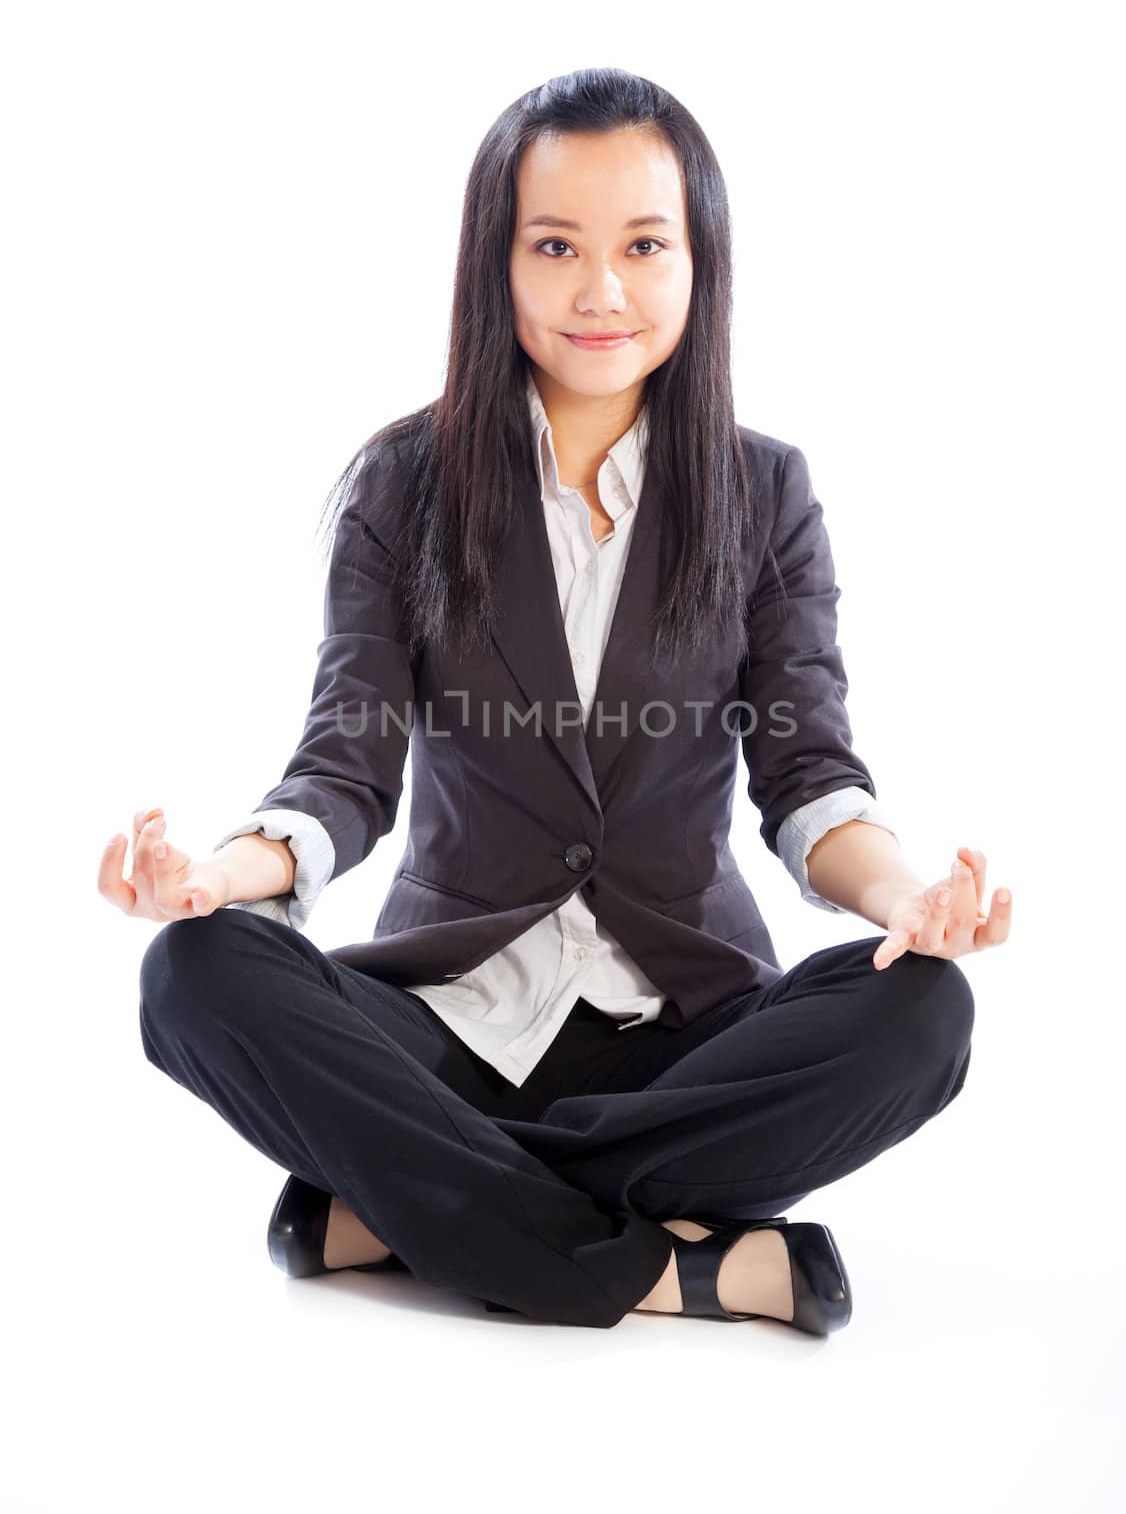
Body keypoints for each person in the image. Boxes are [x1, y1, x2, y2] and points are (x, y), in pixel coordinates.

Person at [99, 66, 1011, 1335]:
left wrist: (907, 897)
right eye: (555, 246)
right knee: (194, 972)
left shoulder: (764, 493)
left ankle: (403, 1206)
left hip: (681, 1035)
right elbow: (344, 770)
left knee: (925, 1010)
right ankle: (684, 1268)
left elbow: (809, 776)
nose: (602, 291)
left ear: (700, 261)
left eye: (644, 244)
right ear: (498, 264)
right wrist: (215, 875)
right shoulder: (403, 486)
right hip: (447, 1032)